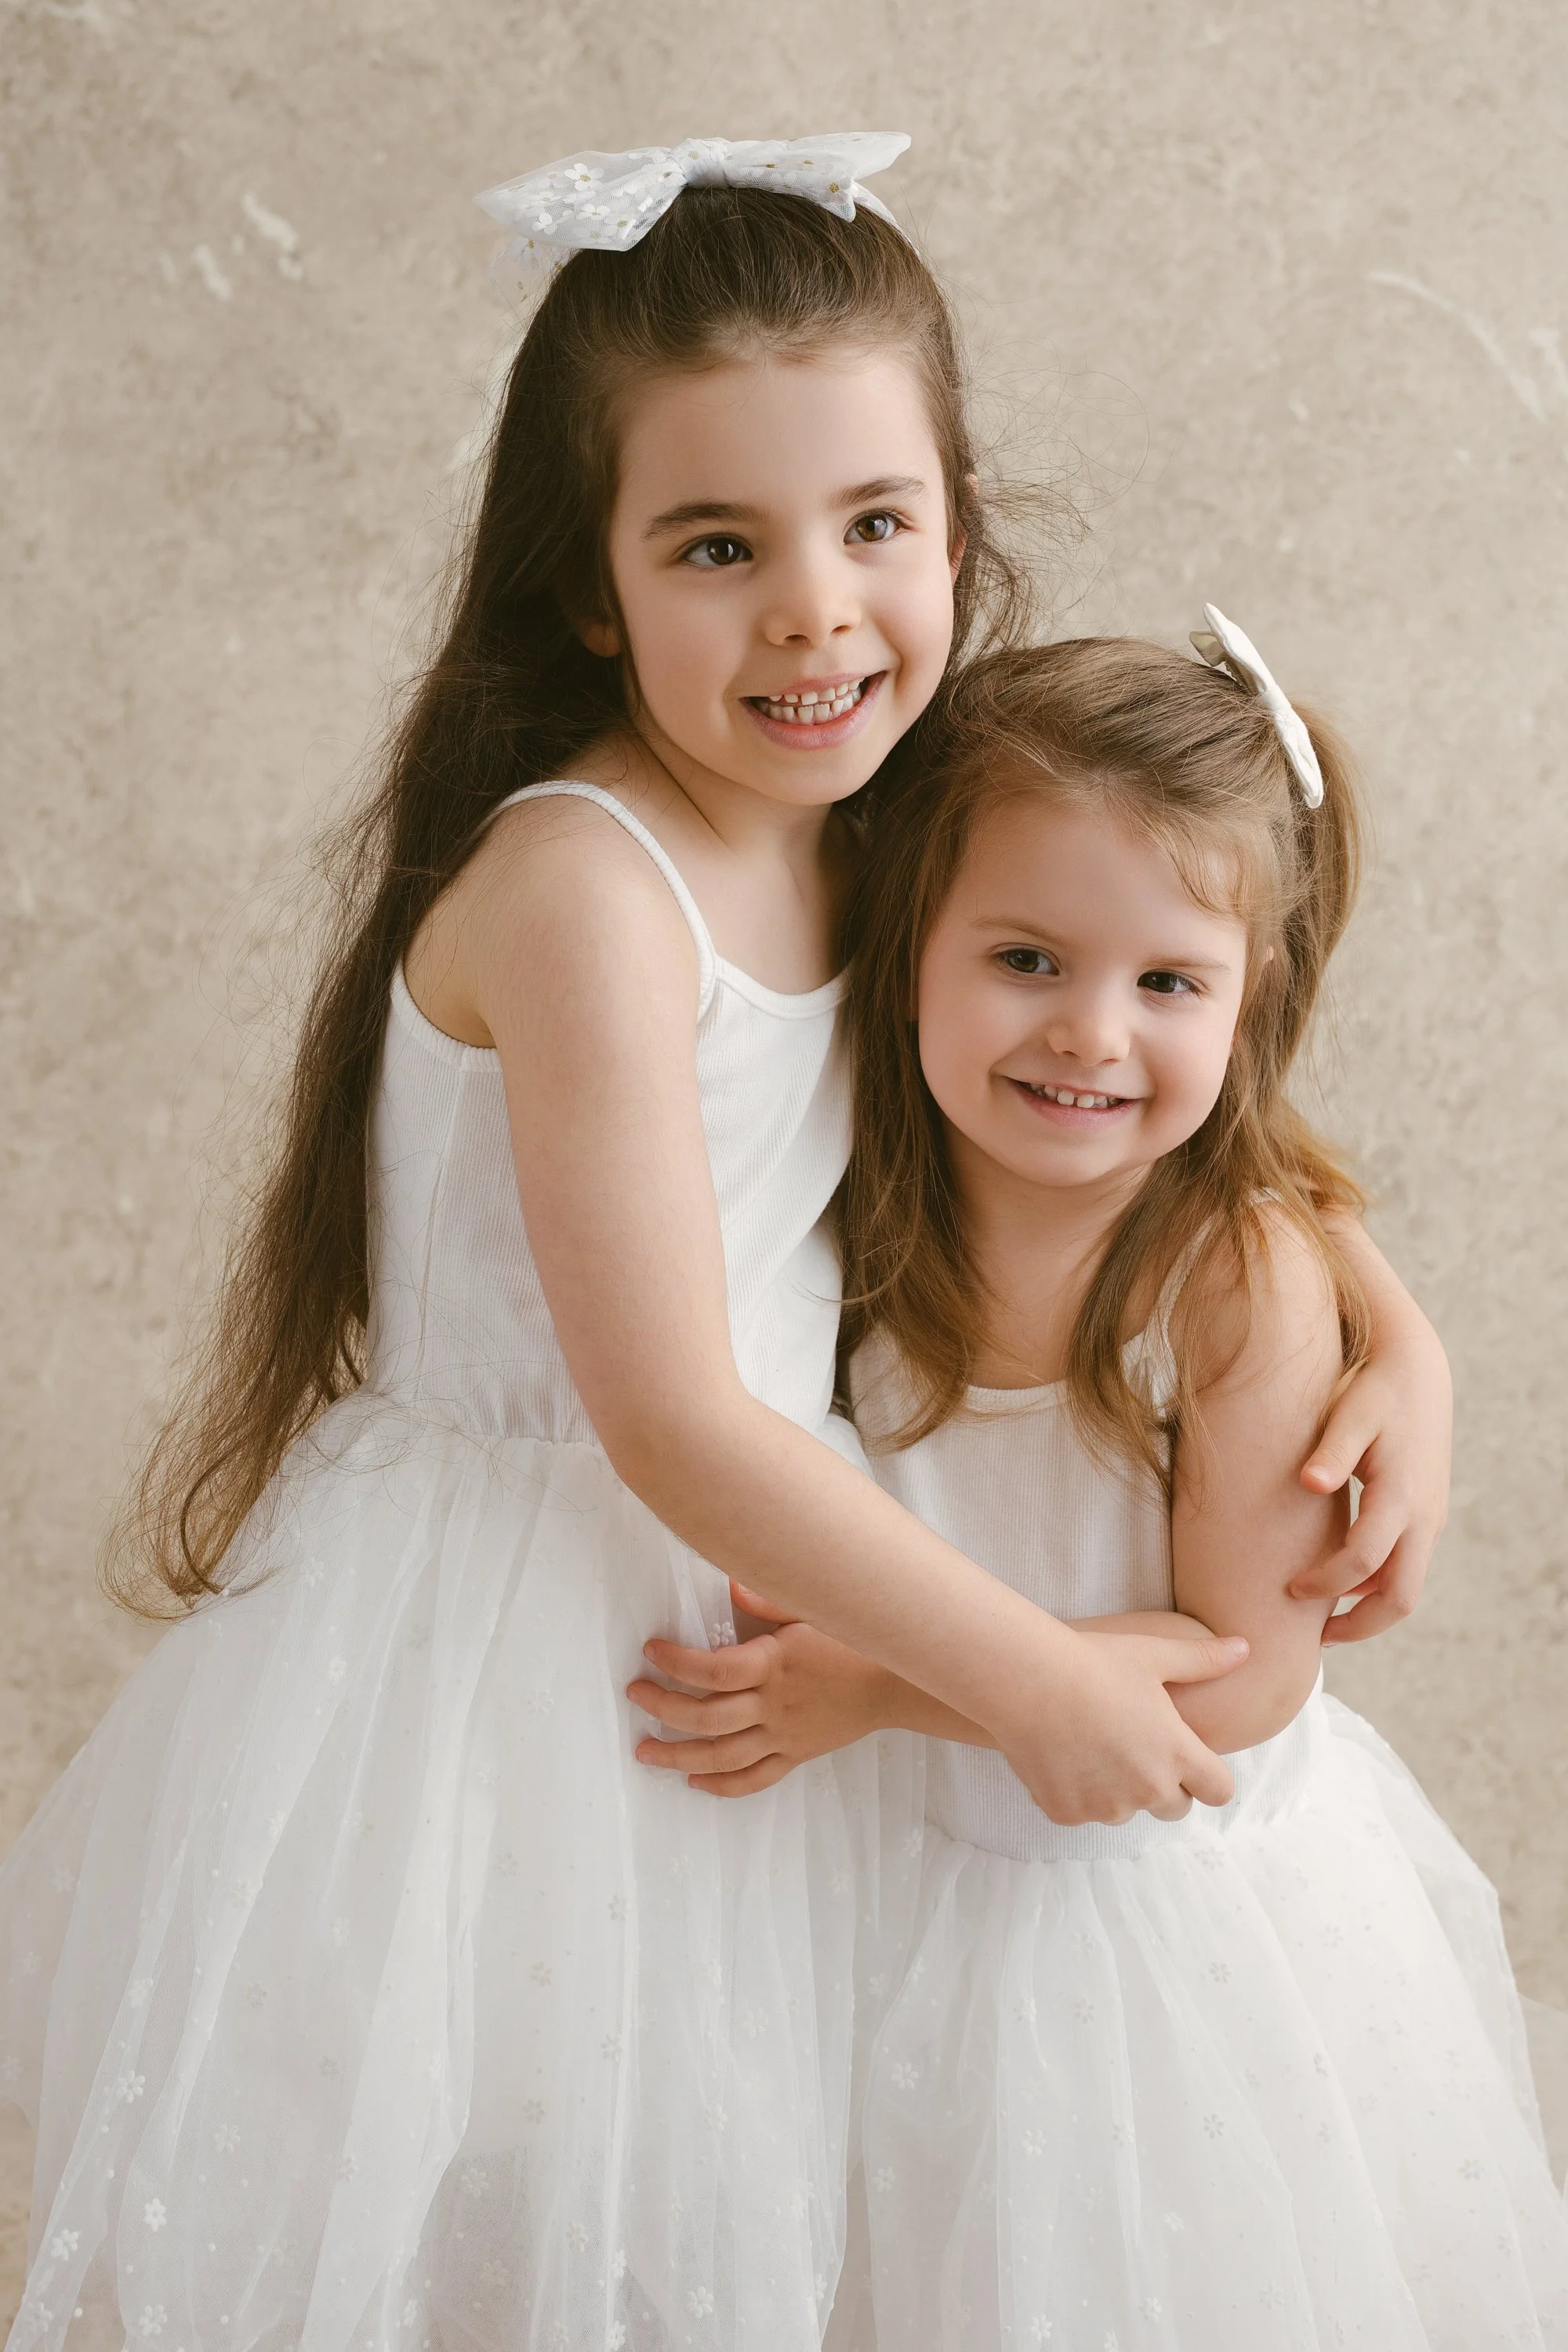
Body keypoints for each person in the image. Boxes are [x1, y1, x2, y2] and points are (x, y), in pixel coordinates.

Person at [0, 129, 1449, 2352]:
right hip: (529, 1658)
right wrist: (1028, 1674)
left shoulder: (894, 823)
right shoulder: (593, 884)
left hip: (789, 1619)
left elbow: (1151, 1091)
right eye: (715, 543)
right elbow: (667, 1409)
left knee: (767, 2229)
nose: (812, 609)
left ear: (962, 529)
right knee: (511, 2226)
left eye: (877, 525)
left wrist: (1391, 1330)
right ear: (590, 585)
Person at [635, 616, 1566, 2347]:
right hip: (881, 1894)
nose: (1088, 1035)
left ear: (1248, 1001)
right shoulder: (851, 1191)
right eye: (1026, 958)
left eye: (1164, 985)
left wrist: (875, 1688)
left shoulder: (1230, 1285)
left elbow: (1244, 1679)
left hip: (1152, 1933)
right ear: (911, 942)